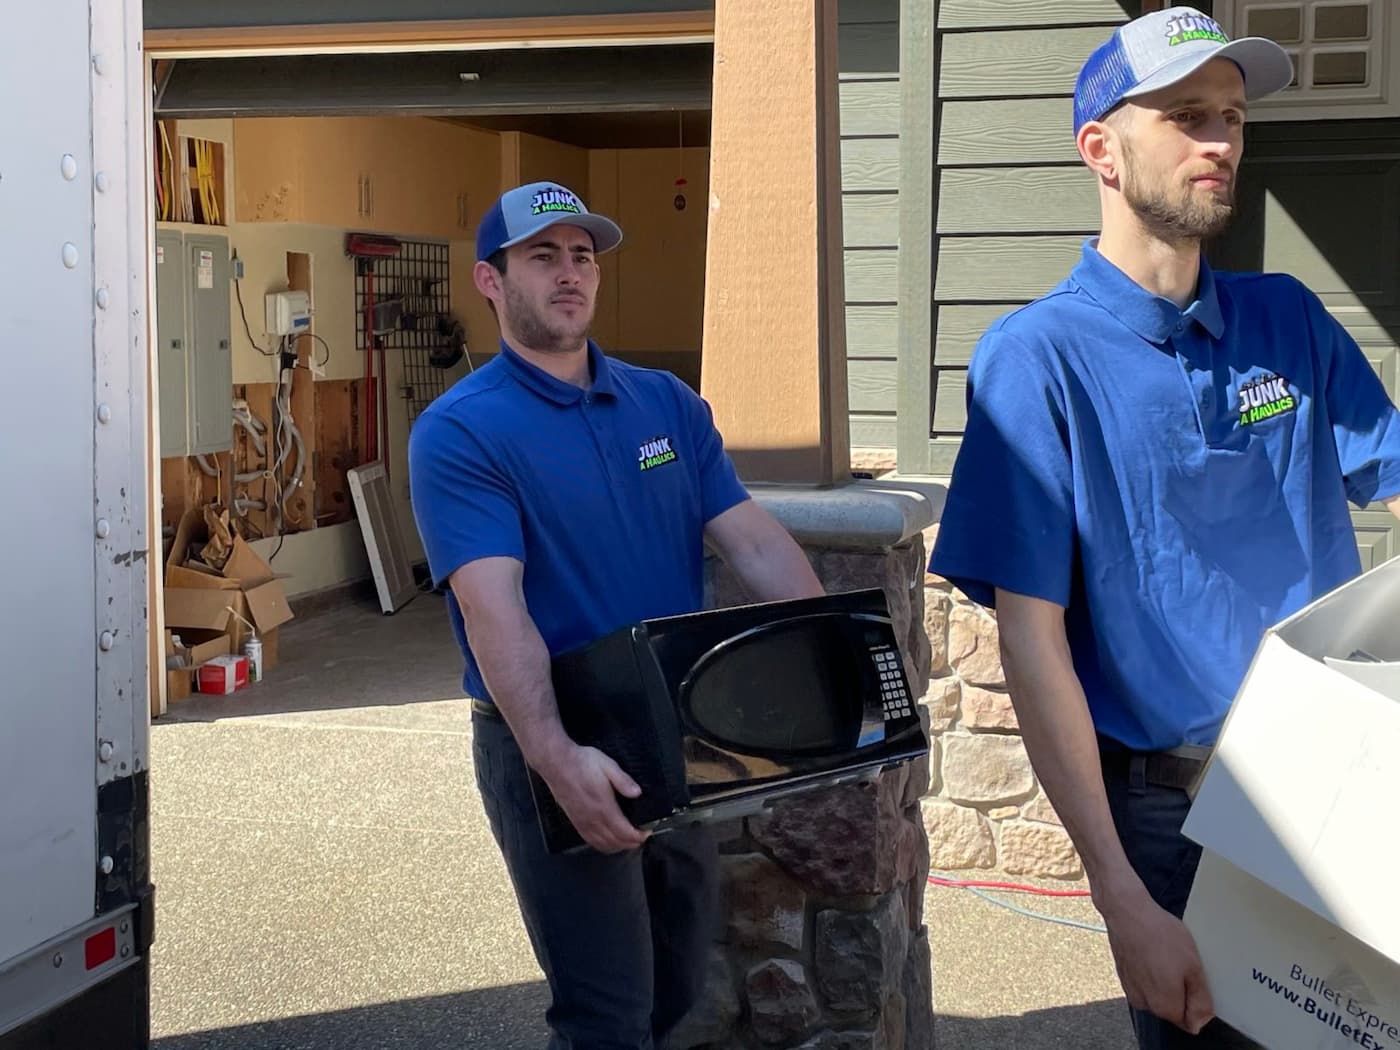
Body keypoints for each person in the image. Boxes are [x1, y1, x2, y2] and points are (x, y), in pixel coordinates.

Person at [929, 9, 1400, 1049]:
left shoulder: (1288, 320)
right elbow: (1031, 641)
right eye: (1186, 116)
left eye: (1230, 118)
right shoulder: (1034, 361)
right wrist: (1118, 899)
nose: (1220, 142)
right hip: (1175, 820)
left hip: (1340, 775)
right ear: (1099, 147)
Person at [407, 180, 825, 1050]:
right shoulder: (462, 432)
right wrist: (557, 760)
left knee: (678, 987)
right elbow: (496, 611)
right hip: (553, 734)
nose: (569, 274)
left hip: (674, 724)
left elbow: (751, 542)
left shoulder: (664, 403)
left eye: (582, 256)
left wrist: (838, 664)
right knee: (605, 1013)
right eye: (542, 256)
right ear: (491, 281)